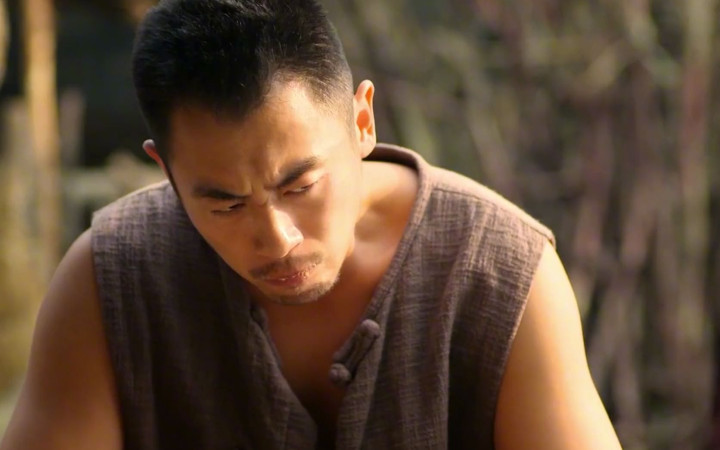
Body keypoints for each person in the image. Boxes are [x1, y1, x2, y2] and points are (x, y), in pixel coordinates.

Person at [1, 0, 622, 448]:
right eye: (226, 204)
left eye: (300, 186)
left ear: (362, 122)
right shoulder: (110, 281)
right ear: (165, 171)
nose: (278, 238)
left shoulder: (501, 274)